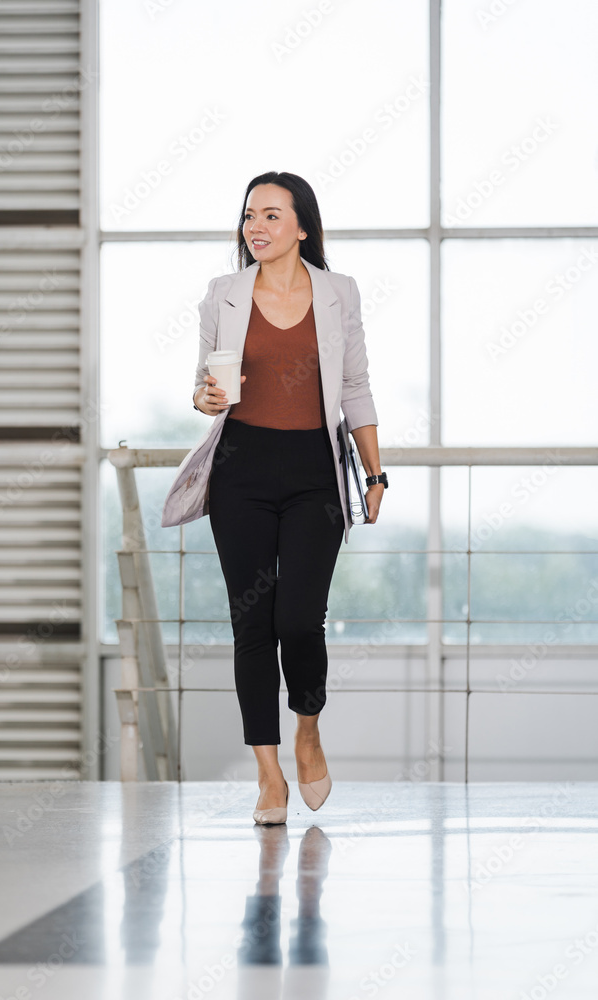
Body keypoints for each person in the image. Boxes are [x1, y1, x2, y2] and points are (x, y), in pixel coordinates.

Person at [191, 171, 386, 825]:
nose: (256, 227)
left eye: (272, 215)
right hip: (240, 470)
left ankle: (307, 731)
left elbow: (354, 385)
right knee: (252, 624)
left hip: (313, 473)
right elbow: (203, 386)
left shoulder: (337, 293)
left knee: (298, 619)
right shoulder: (222, 294)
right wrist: (206, 396)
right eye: (250, 214)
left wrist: (374, 473)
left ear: (302, 226)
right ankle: (267, 774)